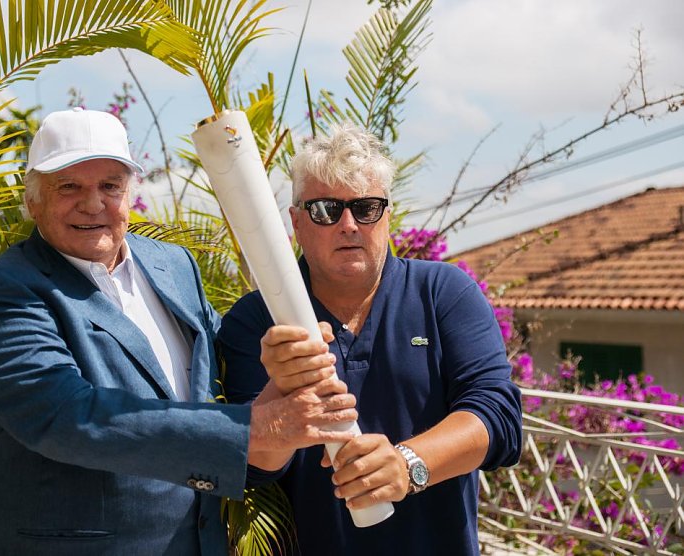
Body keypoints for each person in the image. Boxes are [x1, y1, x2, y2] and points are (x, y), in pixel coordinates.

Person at [0, 107, 359, 555]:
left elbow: (213, 385)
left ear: (129, 193)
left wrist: (278, 375)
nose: (93, 203)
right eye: (69, 186)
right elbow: (67, 416)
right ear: (33, 200)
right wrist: (252, 430)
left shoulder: (174, 266)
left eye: (110, 185)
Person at [218, 123, 523, 555]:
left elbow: (499, 420)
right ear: (297, 222)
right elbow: (252, 467)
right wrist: (281, 385)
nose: (348, 225)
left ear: (388, 214)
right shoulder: (256, 319)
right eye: (326, 209)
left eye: (366, 208)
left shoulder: (444, 293)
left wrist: (408, 463)